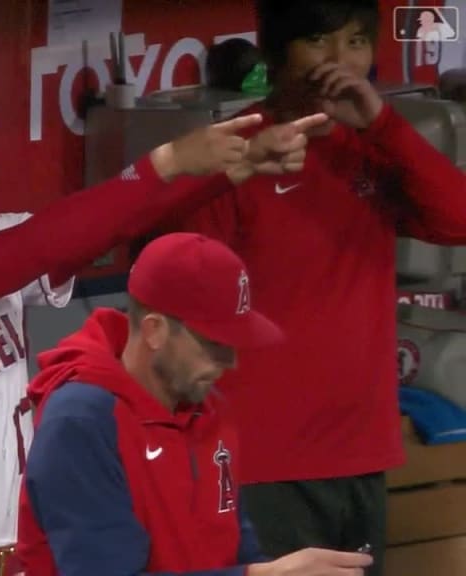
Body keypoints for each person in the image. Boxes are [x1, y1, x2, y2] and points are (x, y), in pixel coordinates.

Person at [0, 88, 328, 573]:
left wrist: (227, 172)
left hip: (18, 554)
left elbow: (99, 228)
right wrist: (166, 162)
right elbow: (38, 247)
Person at [145, 1, 466, 573]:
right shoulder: (236, 154)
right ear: (274, 53)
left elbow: (458, 219)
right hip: (264, 460)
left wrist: (383, 124)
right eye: (319, 42)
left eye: (356, 42)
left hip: (360, 449)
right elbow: (178, 310)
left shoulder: (373, 149)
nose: (339, 63)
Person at [17, 232, 374, 576]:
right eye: (213, 344)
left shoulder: (211, 413)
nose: (230, 362)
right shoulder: (81, 424)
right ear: (155, 330)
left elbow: (238, 554)